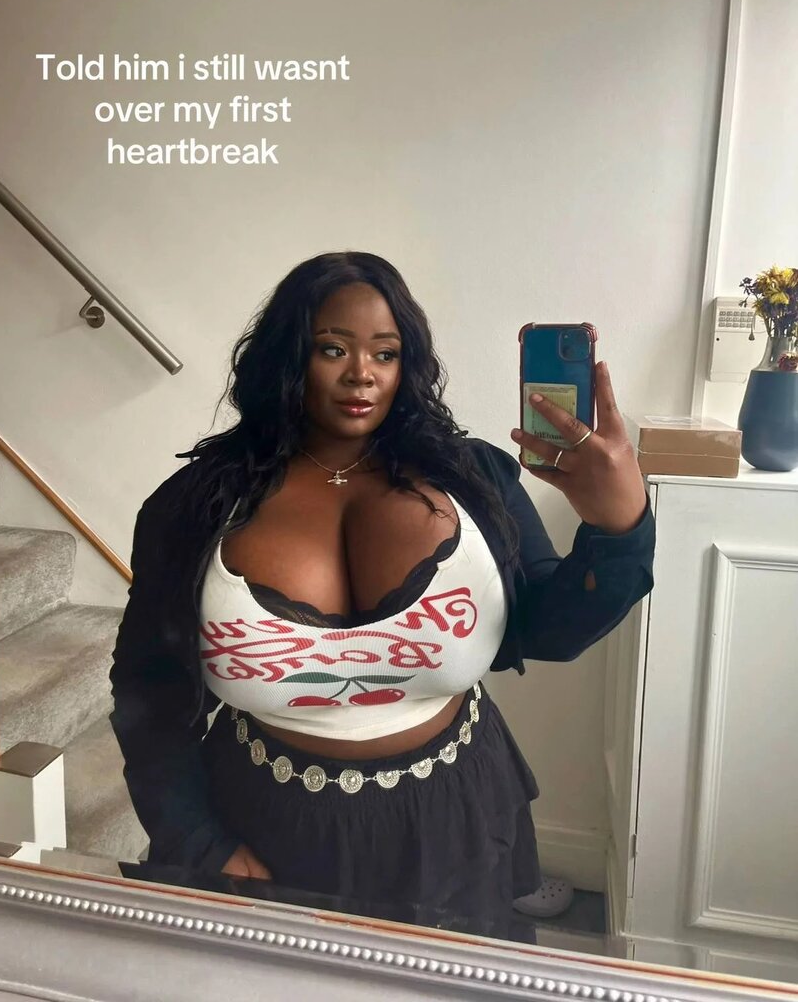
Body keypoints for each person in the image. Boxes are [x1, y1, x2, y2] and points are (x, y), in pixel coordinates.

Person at [109, 251, 655, 936]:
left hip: (451, 816)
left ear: (408, 363)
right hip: (262, 817)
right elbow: (149, 689)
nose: (361, 373)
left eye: (385, 353)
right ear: (287, 356)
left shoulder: (473, 478)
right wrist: (198, 841)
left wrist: (618, 528)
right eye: (332, 348)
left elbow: (553, 630)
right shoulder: (196, 506)